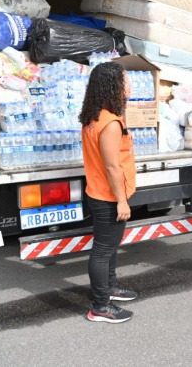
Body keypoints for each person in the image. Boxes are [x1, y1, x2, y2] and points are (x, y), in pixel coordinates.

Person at [79, 62, 138, 323]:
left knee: (109, 247)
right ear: (113, 86)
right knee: (103, 250)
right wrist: (121, 201)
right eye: (125, 80)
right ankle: (100, 306)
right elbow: (113, 166)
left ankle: (109, 288)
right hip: (108, 196)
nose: (129, 85)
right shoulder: (110, 123)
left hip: (98, 192)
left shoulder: (94, 117)